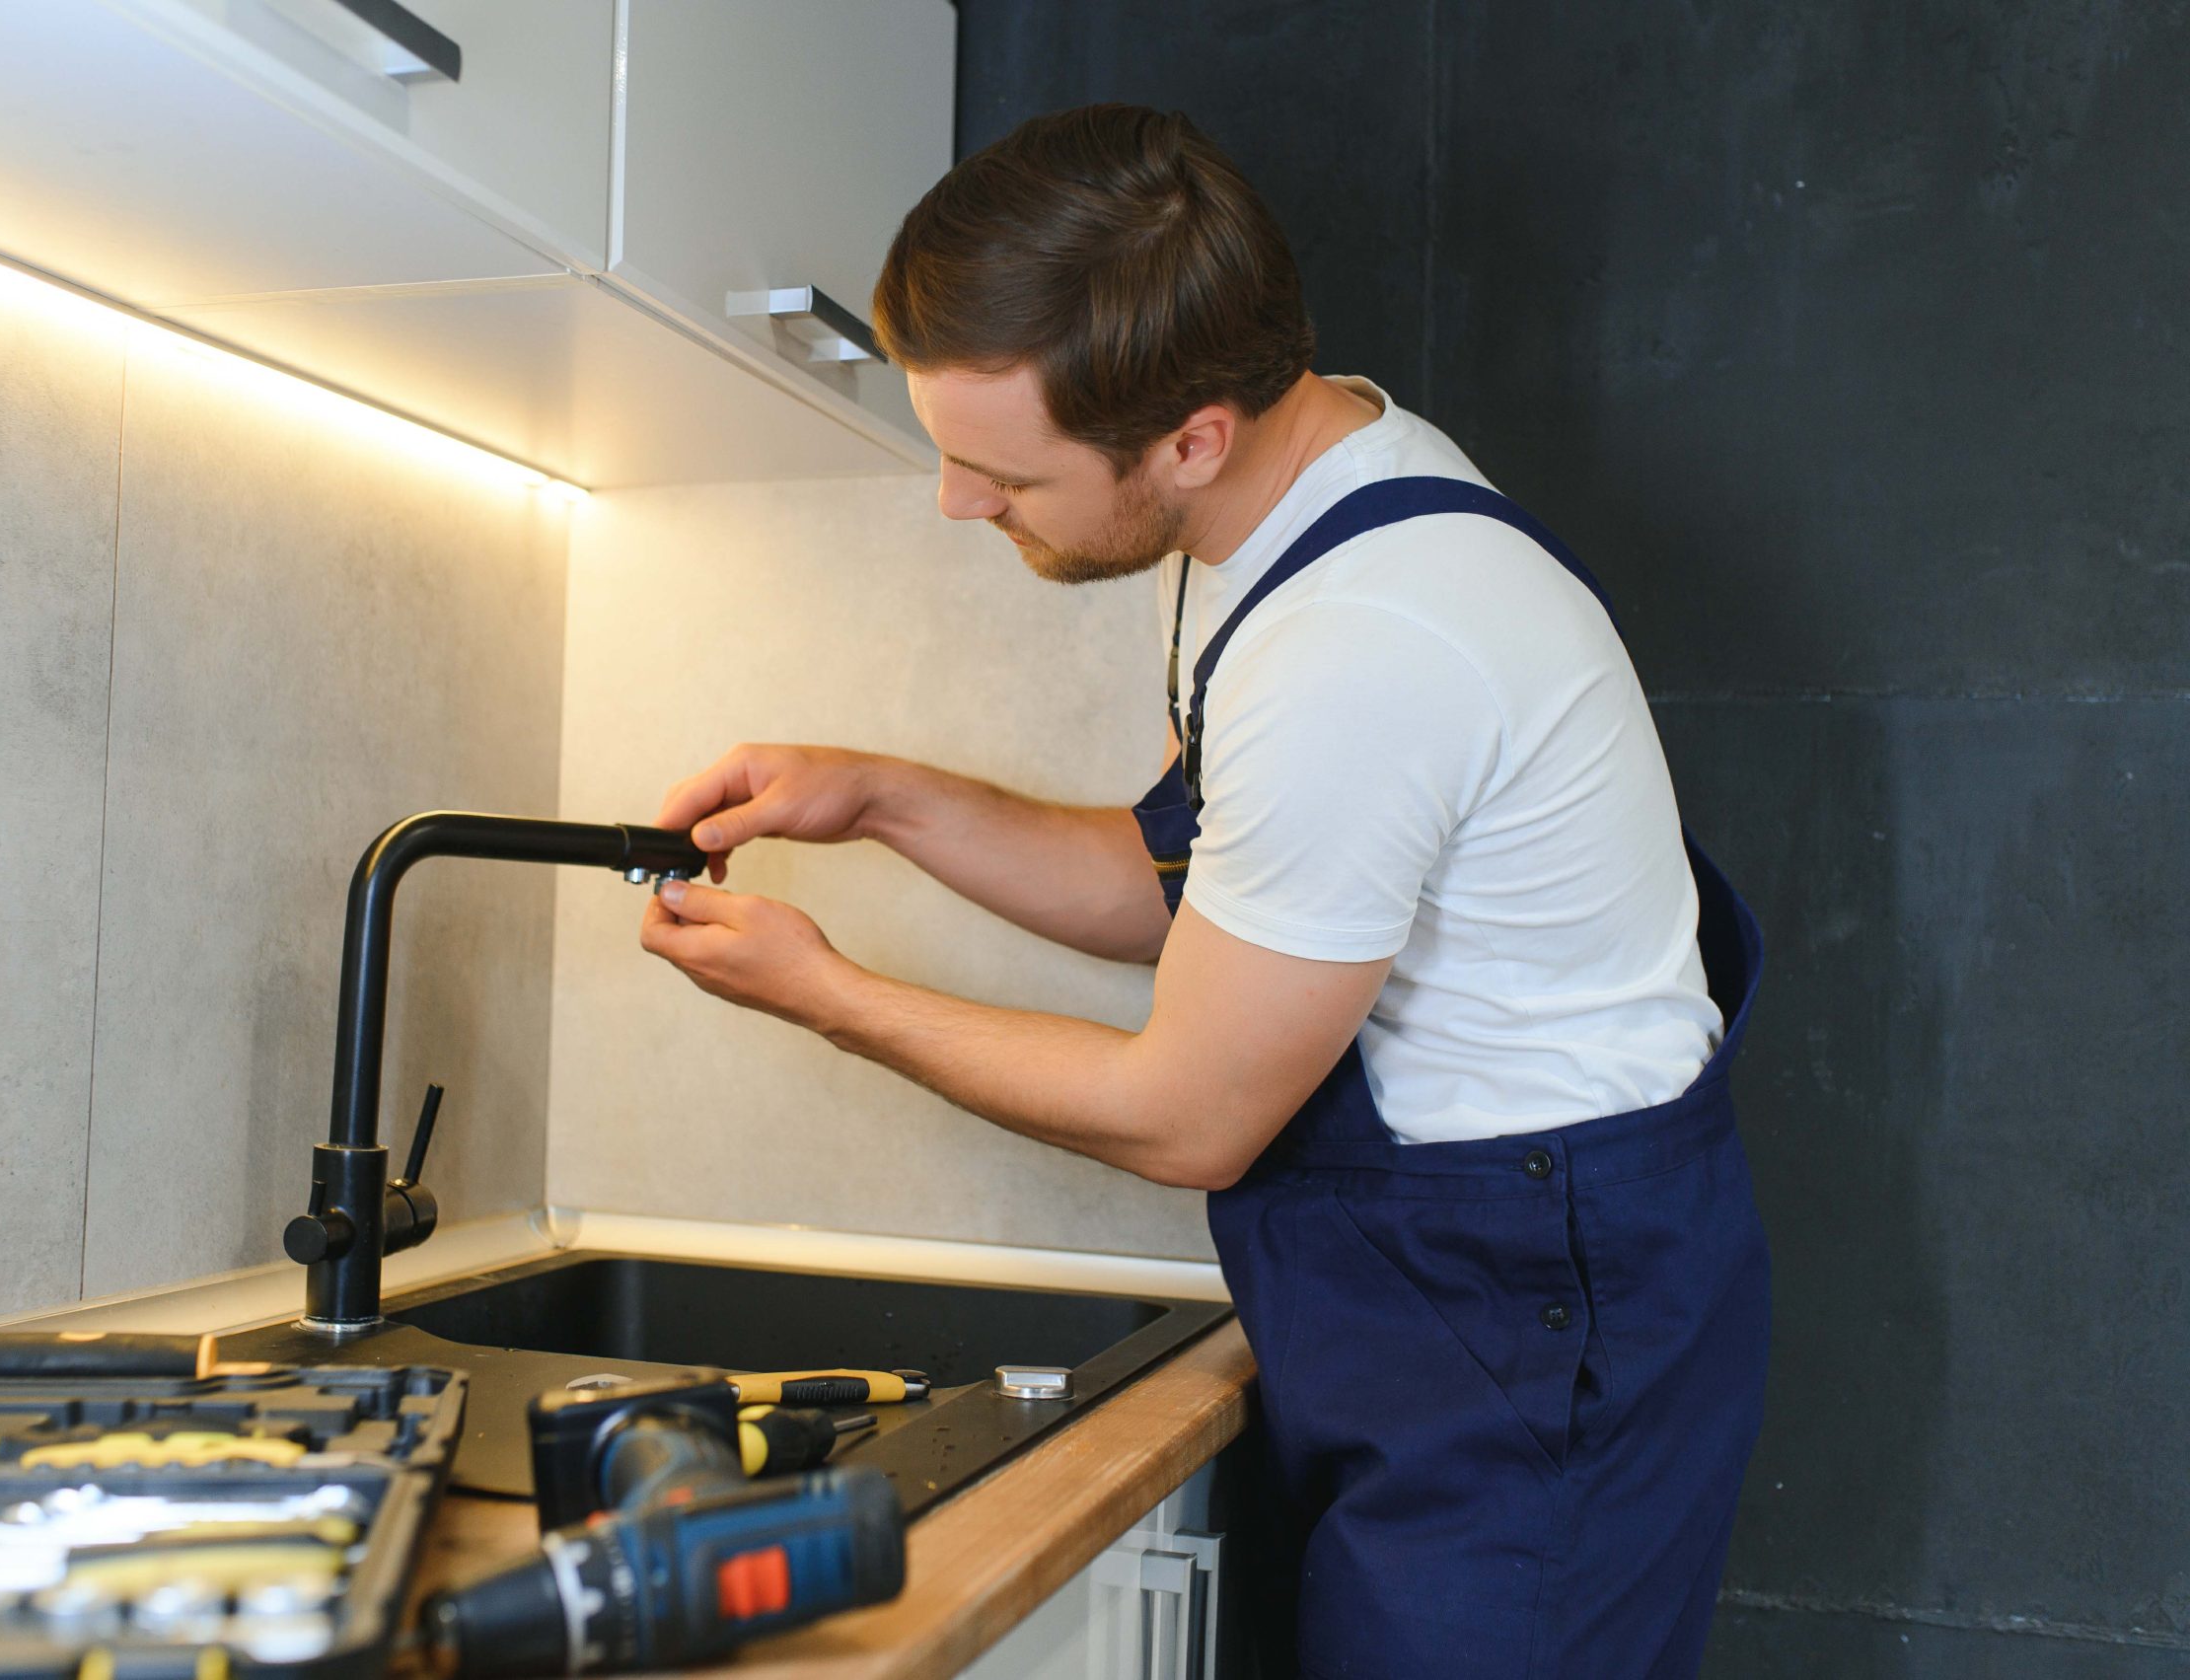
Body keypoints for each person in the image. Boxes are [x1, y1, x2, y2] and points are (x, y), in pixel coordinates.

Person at [637, 103, 1770, 1679]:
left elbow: (1189, 1115)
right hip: (1463, 1287)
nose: (958, 505)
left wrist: (824, 995)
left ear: (1189, 440)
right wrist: (883, 798)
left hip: (1538, 1325)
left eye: (996, 471)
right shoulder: (1297, 496)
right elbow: (1186, 881)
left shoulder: (1367, 642)